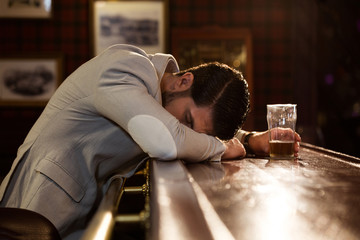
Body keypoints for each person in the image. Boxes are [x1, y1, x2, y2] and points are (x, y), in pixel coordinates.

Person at [0, 44, 300, 239]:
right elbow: (167, 140)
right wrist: (223, 148)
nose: (185, 130)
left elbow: (184, 133)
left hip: (78, 213)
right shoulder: (126, 69)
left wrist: (248, 139)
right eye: (188, 121)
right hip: (32, 213)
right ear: (183, 81)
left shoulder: (161, 96)